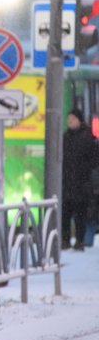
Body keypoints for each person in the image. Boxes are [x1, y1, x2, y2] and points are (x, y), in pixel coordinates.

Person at [62, 108, 97, 251]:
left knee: (80, 213)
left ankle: (80, 241)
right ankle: (65, 240)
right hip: (67, 182)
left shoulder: (88, 137)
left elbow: (94, 159)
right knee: (65, 212)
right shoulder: (65, 136)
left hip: (82, 182)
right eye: (68, 119)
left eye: (72, 119)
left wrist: (84, 170)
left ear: (79, 120)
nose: (69, 121)